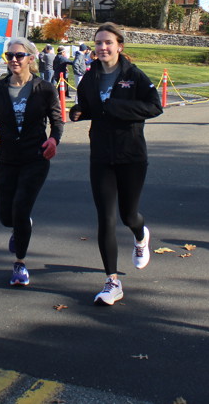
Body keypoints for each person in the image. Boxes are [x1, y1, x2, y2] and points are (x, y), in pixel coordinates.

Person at [69, 23, 163, 305]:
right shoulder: (90, 78)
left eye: (108, 42)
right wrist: (78, 112)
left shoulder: (133, 76)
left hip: (131, 155)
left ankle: (140, 235)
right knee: (106, 219)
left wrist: (118, 107)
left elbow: (154, 106)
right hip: (101, 156)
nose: (102, 47)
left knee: (128, 215)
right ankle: (112, 282)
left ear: (119, 46)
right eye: (98, 43)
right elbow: (91, 109)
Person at [0, 37, 62, 287]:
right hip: (8, 160)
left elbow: (57, 120)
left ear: (31, 59)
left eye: (19, 55)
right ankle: (19, 226)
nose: (13, 60)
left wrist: (54, 140)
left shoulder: (44, 88)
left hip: (35, 158)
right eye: (10, 56)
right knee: (7, 217)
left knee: (21, 208)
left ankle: (20, 263)